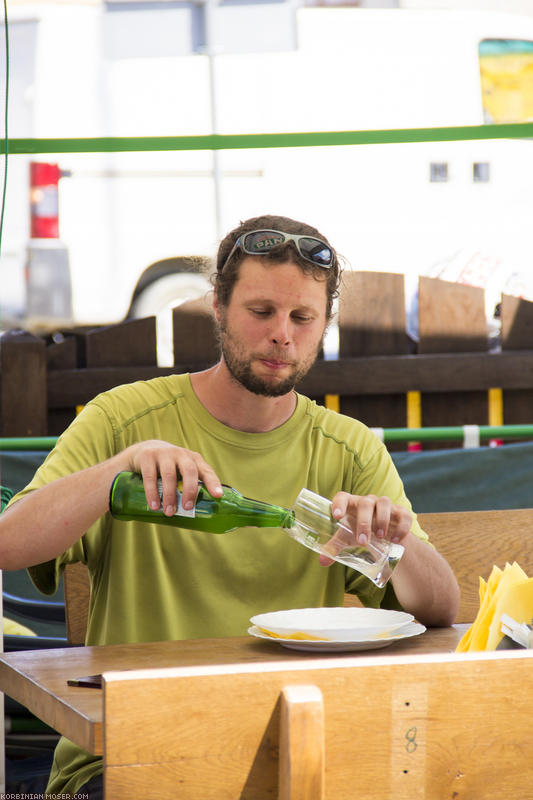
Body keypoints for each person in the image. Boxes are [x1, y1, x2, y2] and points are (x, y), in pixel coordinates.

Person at [0, 214, 460, 797]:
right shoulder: (122, 418)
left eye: (302, 318)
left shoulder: (349, 446)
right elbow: (9, 543)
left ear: (324, 325)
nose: (282, 336)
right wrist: (122, 466)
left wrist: (394, 547)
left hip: (294, 752)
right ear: (217, 305)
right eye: (261, 312)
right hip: (131, 754)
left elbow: (444, 607)